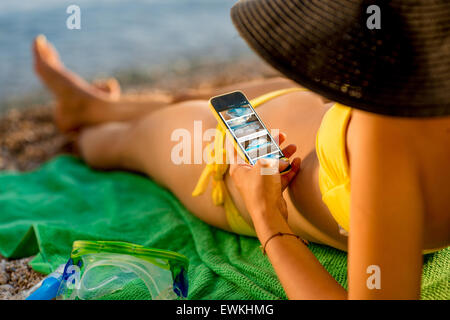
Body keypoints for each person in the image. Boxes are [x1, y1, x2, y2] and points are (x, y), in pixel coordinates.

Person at [32, 0, 449, 299]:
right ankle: (95, 104)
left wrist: (267, 217)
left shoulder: (391, 130)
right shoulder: (417, 87)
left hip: (240, 169)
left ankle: (83, 127)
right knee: (189, 98)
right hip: (305, 109)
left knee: (131, 141)